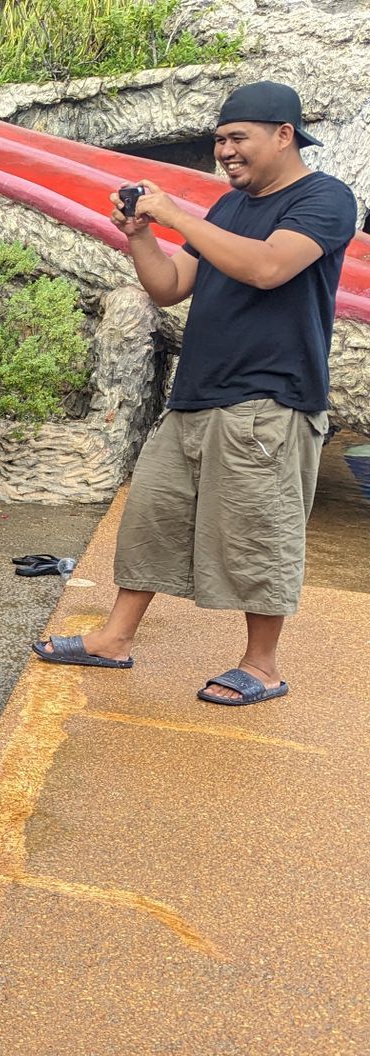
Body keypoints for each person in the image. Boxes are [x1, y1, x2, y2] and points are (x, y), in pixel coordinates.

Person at [31, 82, 357, 706]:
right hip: (196, 395)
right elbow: (170, 287)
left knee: (258, 532)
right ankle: (114, 639)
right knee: (152, 519)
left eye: (238, 139)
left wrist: (179, 213)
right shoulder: (228, 209)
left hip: (270, 399)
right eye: (219, 141)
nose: (225, 152)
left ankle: (261, 666)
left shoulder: (324, 198)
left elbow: (268, 268)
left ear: (283, 134)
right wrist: (141, 235)